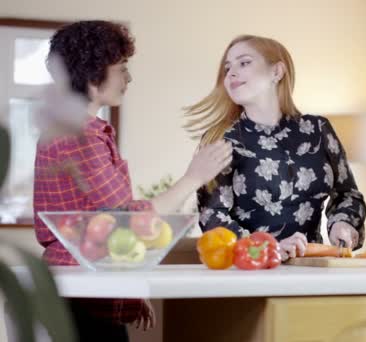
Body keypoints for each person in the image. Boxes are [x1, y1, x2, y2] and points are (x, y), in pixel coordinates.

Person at [33, 21, 232, 341]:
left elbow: (100, 228)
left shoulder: (85, 132)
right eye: (122, 68)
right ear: (94, 72)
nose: (128, 78)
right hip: (82, 297)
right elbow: (123, 219)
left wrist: (127, 296)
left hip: (92, 292)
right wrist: (193, 177)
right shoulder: (78, 136)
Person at [184, 35, 366, 261]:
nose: (230, 73)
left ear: (277, 72)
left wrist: (342, 223)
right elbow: (213, 218)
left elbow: (347, 194)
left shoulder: (319, 130)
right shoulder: (220, 140)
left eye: (244, 62)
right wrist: (270, 250)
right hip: (249, 275)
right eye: (227, 67)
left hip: (314, 270)